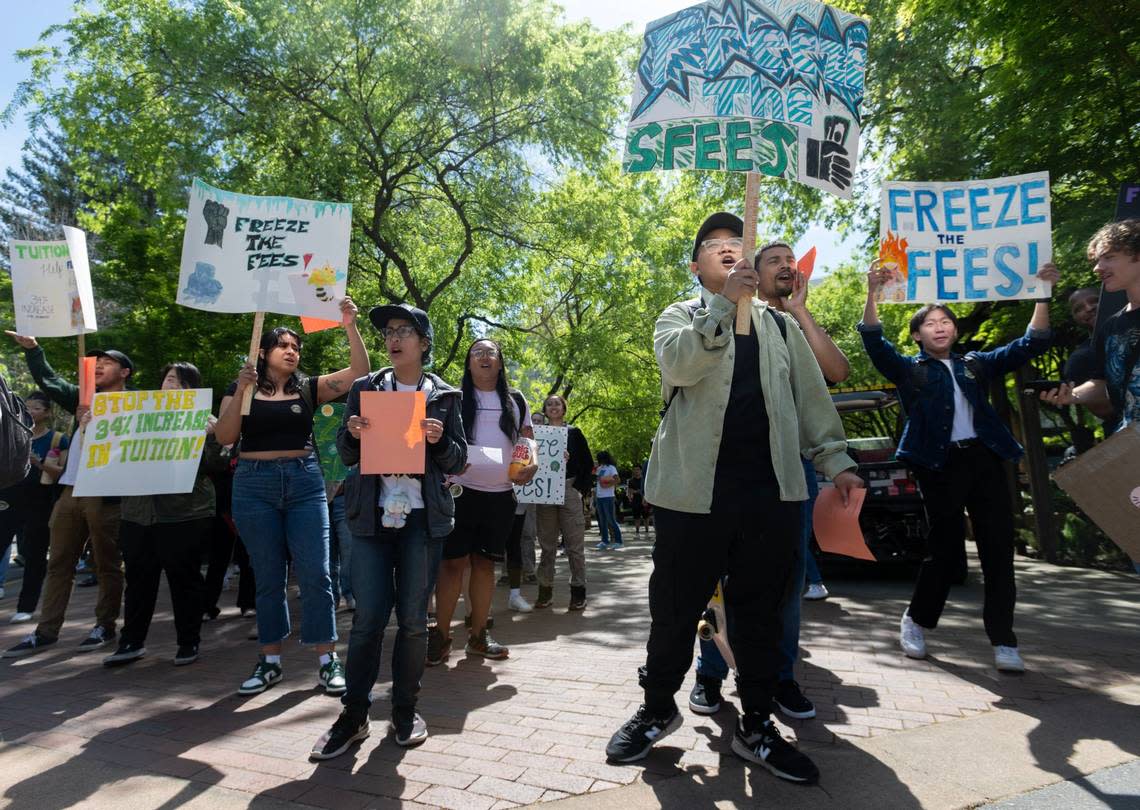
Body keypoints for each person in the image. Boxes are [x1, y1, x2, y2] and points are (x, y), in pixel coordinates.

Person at [605, 212, 862, 785]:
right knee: (673, 611)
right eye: (715, 247)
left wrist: (837, 462)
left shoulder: (781, 328)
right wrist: (724, 305)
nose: (727, 251)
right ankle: (656, 708)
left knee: (760, 616)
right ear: (697, 266)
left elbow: (813, 402)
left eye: (735, 245)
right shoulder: (679, 317)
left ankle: (755, 724)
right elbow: (680, 364)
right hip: (691, 495)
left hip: (770, 494)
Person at [860, 258, 1059, 673]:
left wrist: (1041, 292)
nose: (940, 326)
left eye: (945, 320)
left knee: (998, 549)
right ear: (917, 335)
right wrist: (873, 293)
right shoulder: (910, 371)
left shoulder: (975, 364)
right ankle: (916, 620)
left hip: (984, 460)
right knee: (945, 551)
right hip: (939, 466)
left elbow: (1031, 342)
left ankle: (1004, 640)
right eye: (930, 322)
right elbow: (875, 342)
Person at [688, 239, 849, 722]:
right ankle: (711, 673)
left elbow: (835, 376)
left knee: (784, 581)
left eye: (790, 261)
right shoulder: (727, 317)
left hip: (790, 471)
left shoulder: (788, 323)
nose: (786, 266)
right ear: (750, 273)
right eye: (773, 260)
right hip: (729, 470)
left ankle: (781, 677)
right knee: (720, 582)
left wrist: (802, 312)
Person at [310, 303, 466, 760]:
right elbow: (346, 451)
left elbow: (458, 461)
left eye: (404, 330)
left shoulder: (444, 395)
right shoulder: (365, 388)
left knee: (414, 623)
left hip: (422, 519)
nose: (394, 339)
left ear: (423, 341)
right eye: (389, 332)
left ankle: (404, 710)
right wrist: (355, 433)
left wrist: (441, 441)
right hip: (372, 518)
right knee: (368, 622)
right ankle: (353, 715)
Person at [215, 297, 369, 695]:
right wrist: (242, 390)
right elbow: (226, 436)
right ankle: (269, 661)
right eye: (283, 345)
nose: (291, 351)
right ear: (262, 352)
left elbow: (359, 372)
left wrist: (349, 325)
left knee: (317, 574)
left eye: (296, 347)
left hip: (304, 484)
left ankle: (327, 660)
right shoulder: (239, 388)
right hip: (253, 485)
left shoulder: (308, 387)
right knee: (268, 577)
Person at [3, 335, 131, 658]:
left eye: (108, 362)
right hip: (71, 492)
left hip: (106, 494)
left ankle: (105, 625)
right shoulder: (83, 398)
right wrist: (34, 350)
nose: (99, 365)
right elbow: (50, 381)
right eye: (96, 362)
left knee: (107, 564)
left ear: (126, 372)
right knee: (58, 562)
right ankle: (46, 631)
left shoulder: (137, 406)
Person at [102, 362, 223, 667]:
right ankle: (131, 641)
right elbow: (113, 454)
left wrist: (211, 436)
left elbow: (217, 465)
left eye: (181, 383)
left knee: (184, 579)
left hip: (183, 513)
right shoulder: (134, 416)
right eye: (169, 379)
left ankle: (188, 642)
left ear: (192, 391)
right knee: (139, 579)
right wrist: (96, 426)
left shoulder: (206, 421)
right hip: (138, 513)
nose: (172, 386)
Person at [428, 339, 536, 666]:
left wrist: (532, 466)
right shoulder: (454, 399)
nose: (484, 357)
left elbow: (527, 440)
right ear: (469, 363)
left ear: (500, 363)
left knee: (485, 565)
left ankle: (478, 635)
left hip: (501, 496)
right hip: (460, 492)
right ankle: (442, 636)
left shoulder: (516, 400)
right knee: (451, 566)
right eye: (477, 353)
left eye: (490, 353)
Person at [1043, 219, 1140, 434]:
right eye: (1097, 260)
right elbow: (1102, 384)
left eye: (1108, 258)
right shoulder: (1111, 327)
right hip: (1130, 448)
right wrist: (1071, 395)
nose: (1098, 268)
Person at [3, 392, 67, 623]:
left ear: (47, 412)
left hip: (39, 502)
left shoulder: (57, 439)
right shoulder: (11, 434)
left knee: (35, 554)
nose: (29, 412)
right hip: (9, 498)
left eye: (36, 408)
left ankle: (26, 606)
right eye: (26, 407)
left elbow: (64, 474)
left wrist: (38, 464)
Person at [534, 394, 593, 610]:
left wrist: (579, 491)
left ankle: (578, 593)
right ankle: (545, 591)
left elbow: (587, 464)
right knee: (547, 546)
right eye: (549, 404)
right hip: (546, 493)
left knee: (574, 546)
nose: (553, 407)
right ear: (545, 410)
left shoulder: (574, 433)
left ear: (564, 408)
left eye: (557, 403)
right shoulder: (537, 435)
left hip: (569, 489)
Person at [593, 451, 623, 550]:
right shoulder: (599, 468)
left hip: (608, 497)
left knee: (611, 519)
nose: (599, 460)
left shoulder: (611, 468)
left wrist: (608, 485)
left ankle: (619, 541)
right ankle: (604, 541)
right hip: (599, 497)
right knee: (602, 521)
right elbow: (595, 478)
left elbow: (618, 480)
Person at [626, 464, 648, 534]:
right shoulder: (631, 481)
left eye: (638, 469)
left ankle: (647, 530)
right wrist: (630, 498)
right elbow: (629, 490)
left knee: (646, 516)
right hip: (635, 500)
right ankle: (637, 530)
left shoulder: (645, 479)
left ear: (641, 471)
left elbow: (647, 489)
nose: (636, 471)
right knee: (636, 517)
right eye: (635, 470)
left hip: (644, 499)